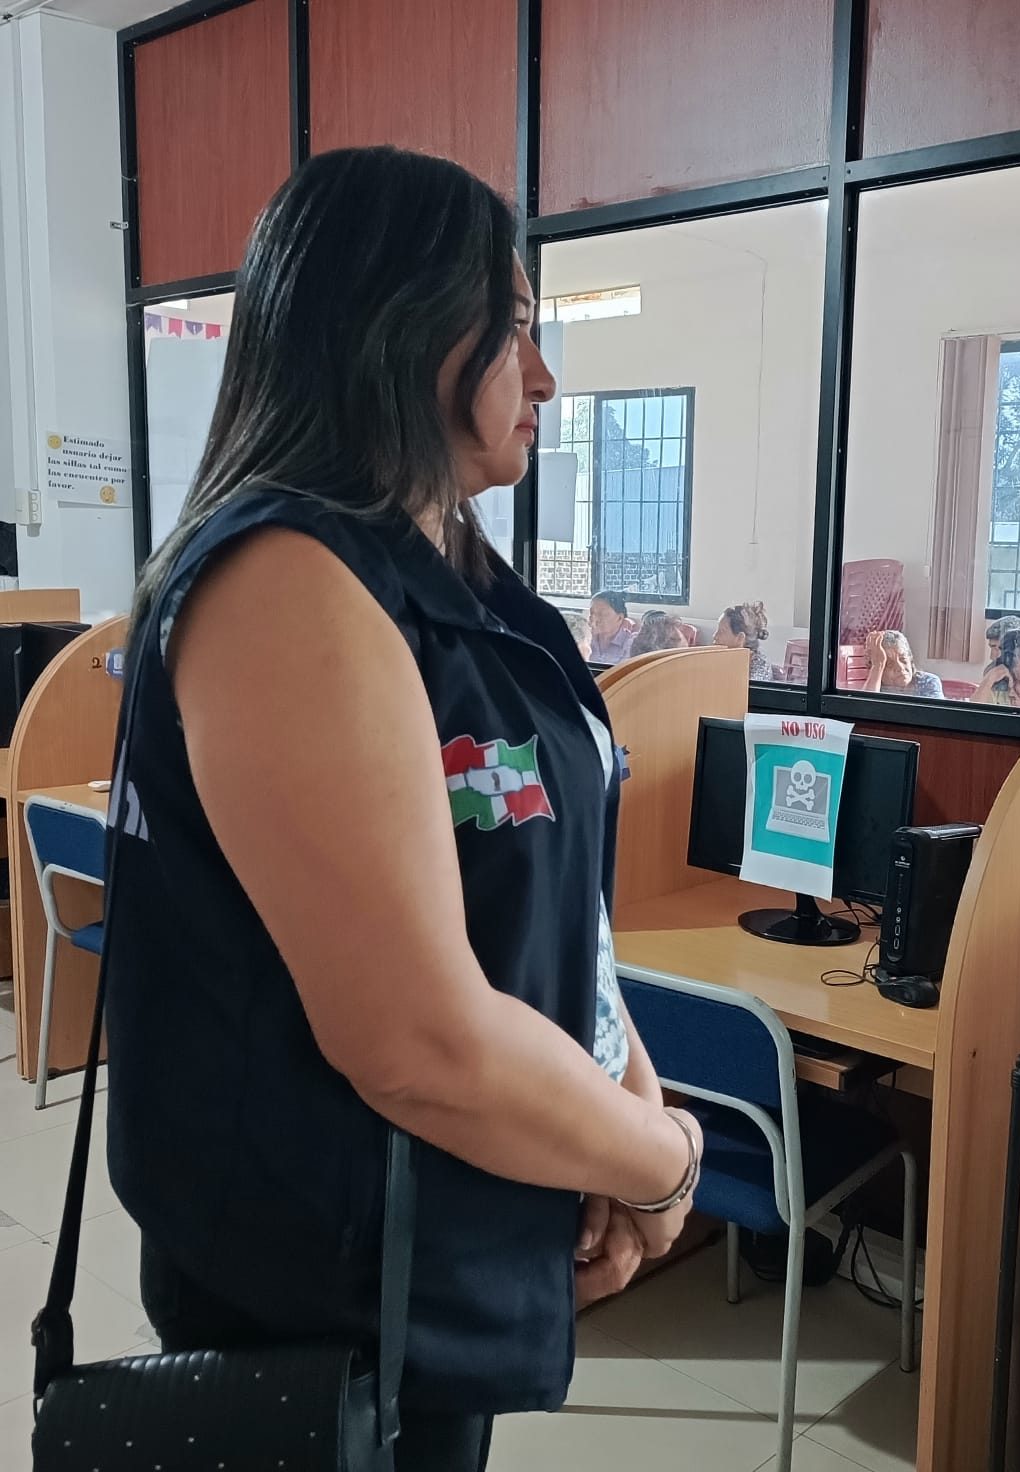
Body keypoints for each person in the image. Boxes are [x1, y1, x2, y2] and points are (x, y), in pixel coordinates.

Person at [101, 147, 704, 1472]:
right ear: (406, 329)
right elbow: (417, 1042)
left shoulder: (461, 581)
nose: (544, 377)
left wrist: (618, 1110)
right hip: (323, 1294)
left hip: (444, 1241)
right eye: (517, 329)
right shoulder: (286, 586)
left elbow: (559, 904)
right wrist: (659, 1160)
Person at [863, 629, 944, 699]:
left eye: (903, 660)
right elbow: (864, 708)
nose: (900, 667)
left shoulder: (927, 682)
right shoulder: (875, 685)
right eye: (890, 664)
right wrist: (877, 665)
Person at [714, 600, 776, 681]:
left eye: (722, 631)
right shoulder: (724, 660)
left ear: (740, 638)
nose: (715, 636)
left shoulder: (758, 668)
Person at [588, 589, 636, 664]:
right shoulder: (585, 639)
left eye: (601, 614)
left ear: (619, 618)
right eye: (591, 613)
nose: (593, 618)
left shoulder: (631, 644)